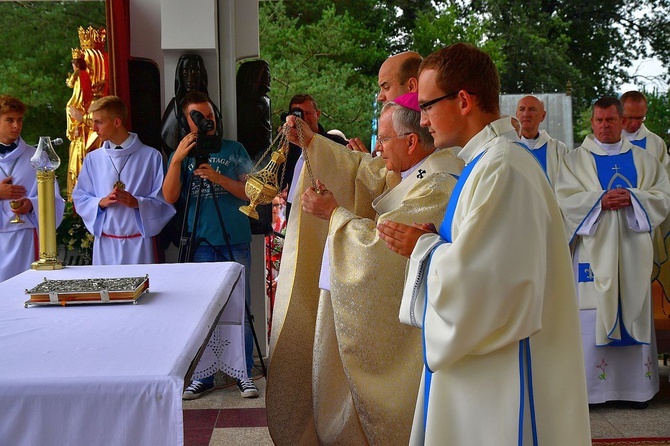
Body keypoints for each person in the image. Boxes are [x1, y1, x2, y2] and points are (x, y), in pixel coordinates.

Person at [377, 43, 591, 445]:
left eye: (426, 106)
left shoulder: (503, 168)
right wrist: (434, 242)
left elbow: (486, 285)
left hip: (504, 374)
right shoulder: (485, 162)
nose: (422, 121)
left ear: (462, 101)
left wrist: (422, 249)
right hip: (487, 368)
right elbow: (479, 258)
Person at [266, 92, 463, 445]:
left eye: (384, 139)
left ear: (412, 140)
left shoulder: (438, 185)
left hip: (411, 336)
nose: (379, 148)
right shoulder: (408, 170)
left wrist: (334, 215)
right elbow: (360, 168)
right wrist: (313, 141)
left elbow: (383, 246)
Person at [555, 96, 670, 408]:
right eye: (599, 121)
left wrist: (634, 199)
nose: (605, 126)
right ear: (592, 123)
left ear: (622, 122)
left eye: (611, 120)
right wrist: (598, 202)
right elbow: (562, 200)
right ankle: (593, 392)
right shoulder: (575, 160)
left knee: (633, 306)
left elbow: (663, 195)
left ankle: (636, 392)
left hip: (633, 252)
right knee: (590, 314)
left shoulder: (646, 161)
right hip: (593, 252)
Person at [162, 90, 258, 399]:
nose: (207, 122)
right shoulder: (182, 153)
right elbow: (169, 197)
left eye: (210, 116)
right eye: (198, 117)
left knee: (239, 308)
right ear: (187, 121)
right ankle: (202, 377)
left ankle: (243, 373)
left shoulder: (234, 149)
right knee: (200, 313)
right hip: (199, 241)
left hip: (235, 239)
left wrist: (218, 178)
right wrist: (177, 159)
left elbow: (251, 192)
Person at [72, 96, 175, 265]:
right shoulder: (93, 159)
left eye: (98, 122)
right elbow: (80, 197)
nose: (93, 128)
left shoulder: (151, 157)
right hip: (105, 244)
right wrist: (100, 202)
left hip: (138, 244)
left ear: (117, 122)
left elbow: (165, 202)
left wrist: (137, 203)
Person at [0, 95, 65, 282]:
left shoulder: (37, 157)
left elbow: (55, 200)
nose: (16, 125)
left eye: (19, 120)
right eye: (9, 120)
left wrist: (31, 204)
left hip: (25, 238)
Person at [280, 94, 348, 216]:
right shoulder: (290, 147)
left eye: (308, 113)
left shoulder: (336, 143)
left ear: (318, 114)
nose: (303, 118)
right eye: (298, 115)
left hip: (324, 211)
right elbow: (278, 183)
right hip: (295, 211)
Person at [348, 51, 422, 153]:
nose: (380, 97)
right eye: (381, 139)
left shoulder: (438, 137)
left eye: (386, 87)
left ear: (411, 86)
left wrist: (369, 166)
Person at [160, 54, 223, 155]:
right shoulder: (175, 108)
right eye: (185, 73)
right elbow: (167, 140)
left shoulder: (211, 106)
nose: (190, 78)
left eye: (195, 72)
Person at [515, 94, 569, 186]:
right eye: (522, 109)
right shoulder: (509, 147)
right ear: (516, 114)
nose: (526, 114)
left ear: (543, 116)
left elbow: (567, 185)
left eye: (532, 109)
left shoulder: (558, 150)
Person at [620, 90, 669, 168]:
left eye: (639, 118)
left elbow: (665, 175)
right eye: (630, 117)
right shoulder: (604, 140)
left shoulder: (656, 143)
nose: (634, 123)